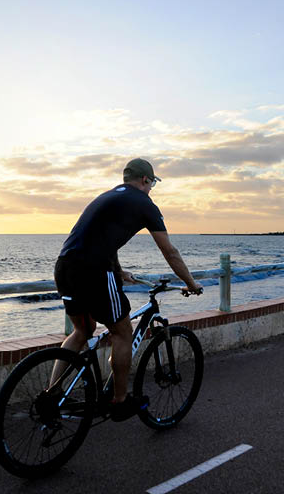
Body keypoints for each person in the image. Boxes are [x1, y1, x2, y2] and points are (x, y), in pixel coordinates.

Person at [53, 158, 203, 421]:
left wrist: (119, 272)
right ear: (145, 180)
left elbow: (101, 240)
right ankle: (119, 401)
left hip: (65, 267)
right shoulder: (145, 203)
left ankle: (52, 395)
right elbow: (170, 251)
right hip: (94, 271)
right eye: (152, 183)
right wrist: (191, 283)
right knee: (122, 332)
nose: (151, 189)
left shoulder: (108, 197)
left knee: (82, 330)